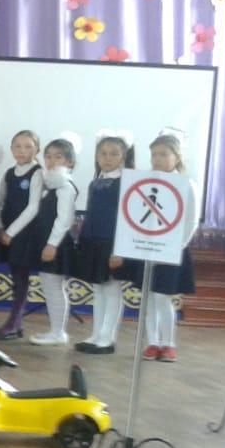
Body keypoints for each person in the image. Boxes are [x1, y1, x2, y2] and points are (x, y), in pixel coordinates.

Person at [72, 131, 135, 354]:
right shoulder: (95, 182)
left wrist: (119, 250)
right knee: (98, 288)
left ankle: (108, 337)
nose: (108, 158)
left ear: (124, 157)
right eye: (103, 154)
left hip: (112, 242)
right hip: (93, 240)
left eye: (114, 154)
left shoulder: (126, 183)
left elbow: (126, 218)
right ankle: (97, 333)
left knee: (111, 287)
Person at [142, 130, 197, 363]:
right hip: (147, 248)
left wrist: (175, 247)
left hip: (171, 250)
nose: (157, 159)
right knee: (148, 298)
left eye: (163, 154)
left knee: (162, 298)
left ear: (177, 157)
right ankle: (152, 342)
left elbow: (191, 221)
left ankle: (168, 344)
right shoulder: (145, 183)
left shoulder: (186, 184)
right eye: (154, 154)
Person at [0, 130, 44, 340]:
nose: (22, 151)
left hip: (25, 233)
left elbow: (33, 207)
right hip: (6, 230)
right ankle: (16, 322)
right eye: (18, 146)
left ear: (37, 150)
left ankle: (14, 323)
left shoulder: (37, 172)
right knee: (15, 276)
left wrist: (11, 232)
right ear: (12, 149)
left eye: (28, 146)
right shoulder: (9, 173)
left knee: (21, 278)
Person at [29, 134, 81, 346]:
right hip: (46, 240)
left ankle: (58, 332)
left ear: (69, 161)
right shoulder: (51, 184)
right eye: (48, 156)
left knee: (54, 288)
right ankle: (54, 330)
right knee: (49, 286)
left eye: (58, 157)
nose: (51, 161)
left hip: (56, 243)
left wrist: (52, 245)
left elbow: (64, 219)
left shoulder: (65, 186)